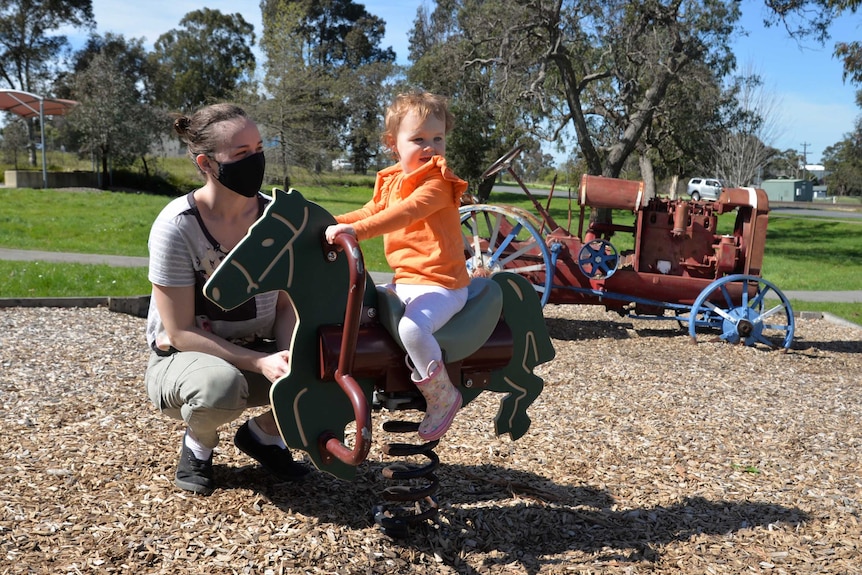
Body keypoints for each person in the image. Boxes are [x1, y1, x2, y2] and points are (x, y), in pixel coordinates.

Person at [144, 103, 309, 496]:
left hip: (260, 350)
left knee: (336, 366)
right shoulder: (177, 226)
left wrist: (293, 358)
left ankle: (264, 436)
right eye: (240, 154)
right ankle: (198, 446)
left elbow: (286, 305)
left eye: (258, 148)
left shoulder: (277, 219)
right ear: (207, 163)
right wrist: (260, 362)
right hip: (185, 359)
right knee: (219, 387)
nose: (255, 160)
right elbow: (180, 331)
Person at [324, 91, 469, 442]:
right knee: (360, 311)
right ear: (393, 143)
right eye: (418, 139)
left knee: (412, 330)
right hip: (407, 279)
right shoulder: (391, 181)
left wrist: (352, 232)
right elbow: (371, 211)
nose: (430, 147)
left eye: (437, 138)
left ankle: (443, 396)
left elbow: (402, 214)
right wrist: (325, 221)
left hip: (442, 284)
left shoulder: (437, 183)